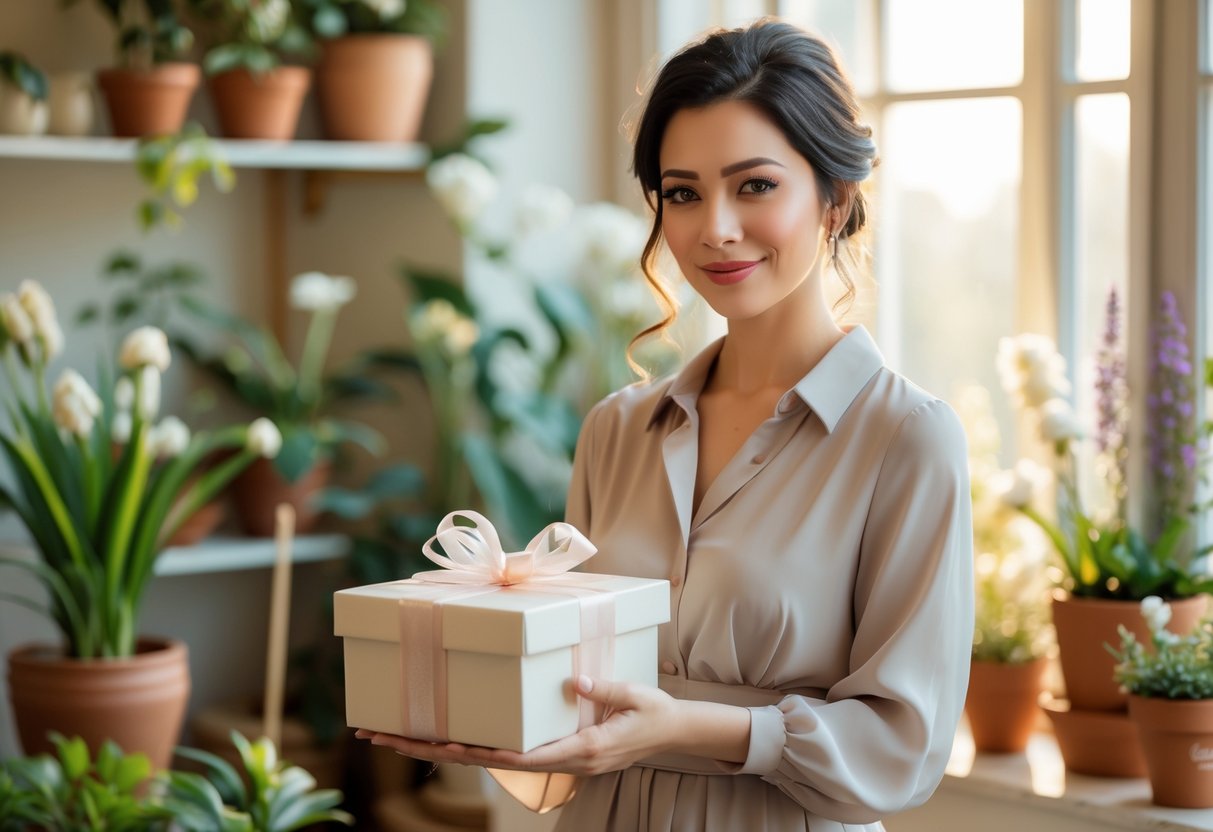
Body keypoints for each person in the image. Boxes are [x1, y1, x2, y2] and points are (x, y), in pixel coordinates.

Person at [358, 18, 973, 832]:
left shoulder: (907, 439)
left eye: (754, 185)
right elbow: (572, 695)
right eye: (682, 192)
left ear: (834, 199)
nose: (713, 227)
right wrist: (475, 699)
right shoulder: (614, 431)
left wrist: (684, 727)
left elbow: (903, 749)